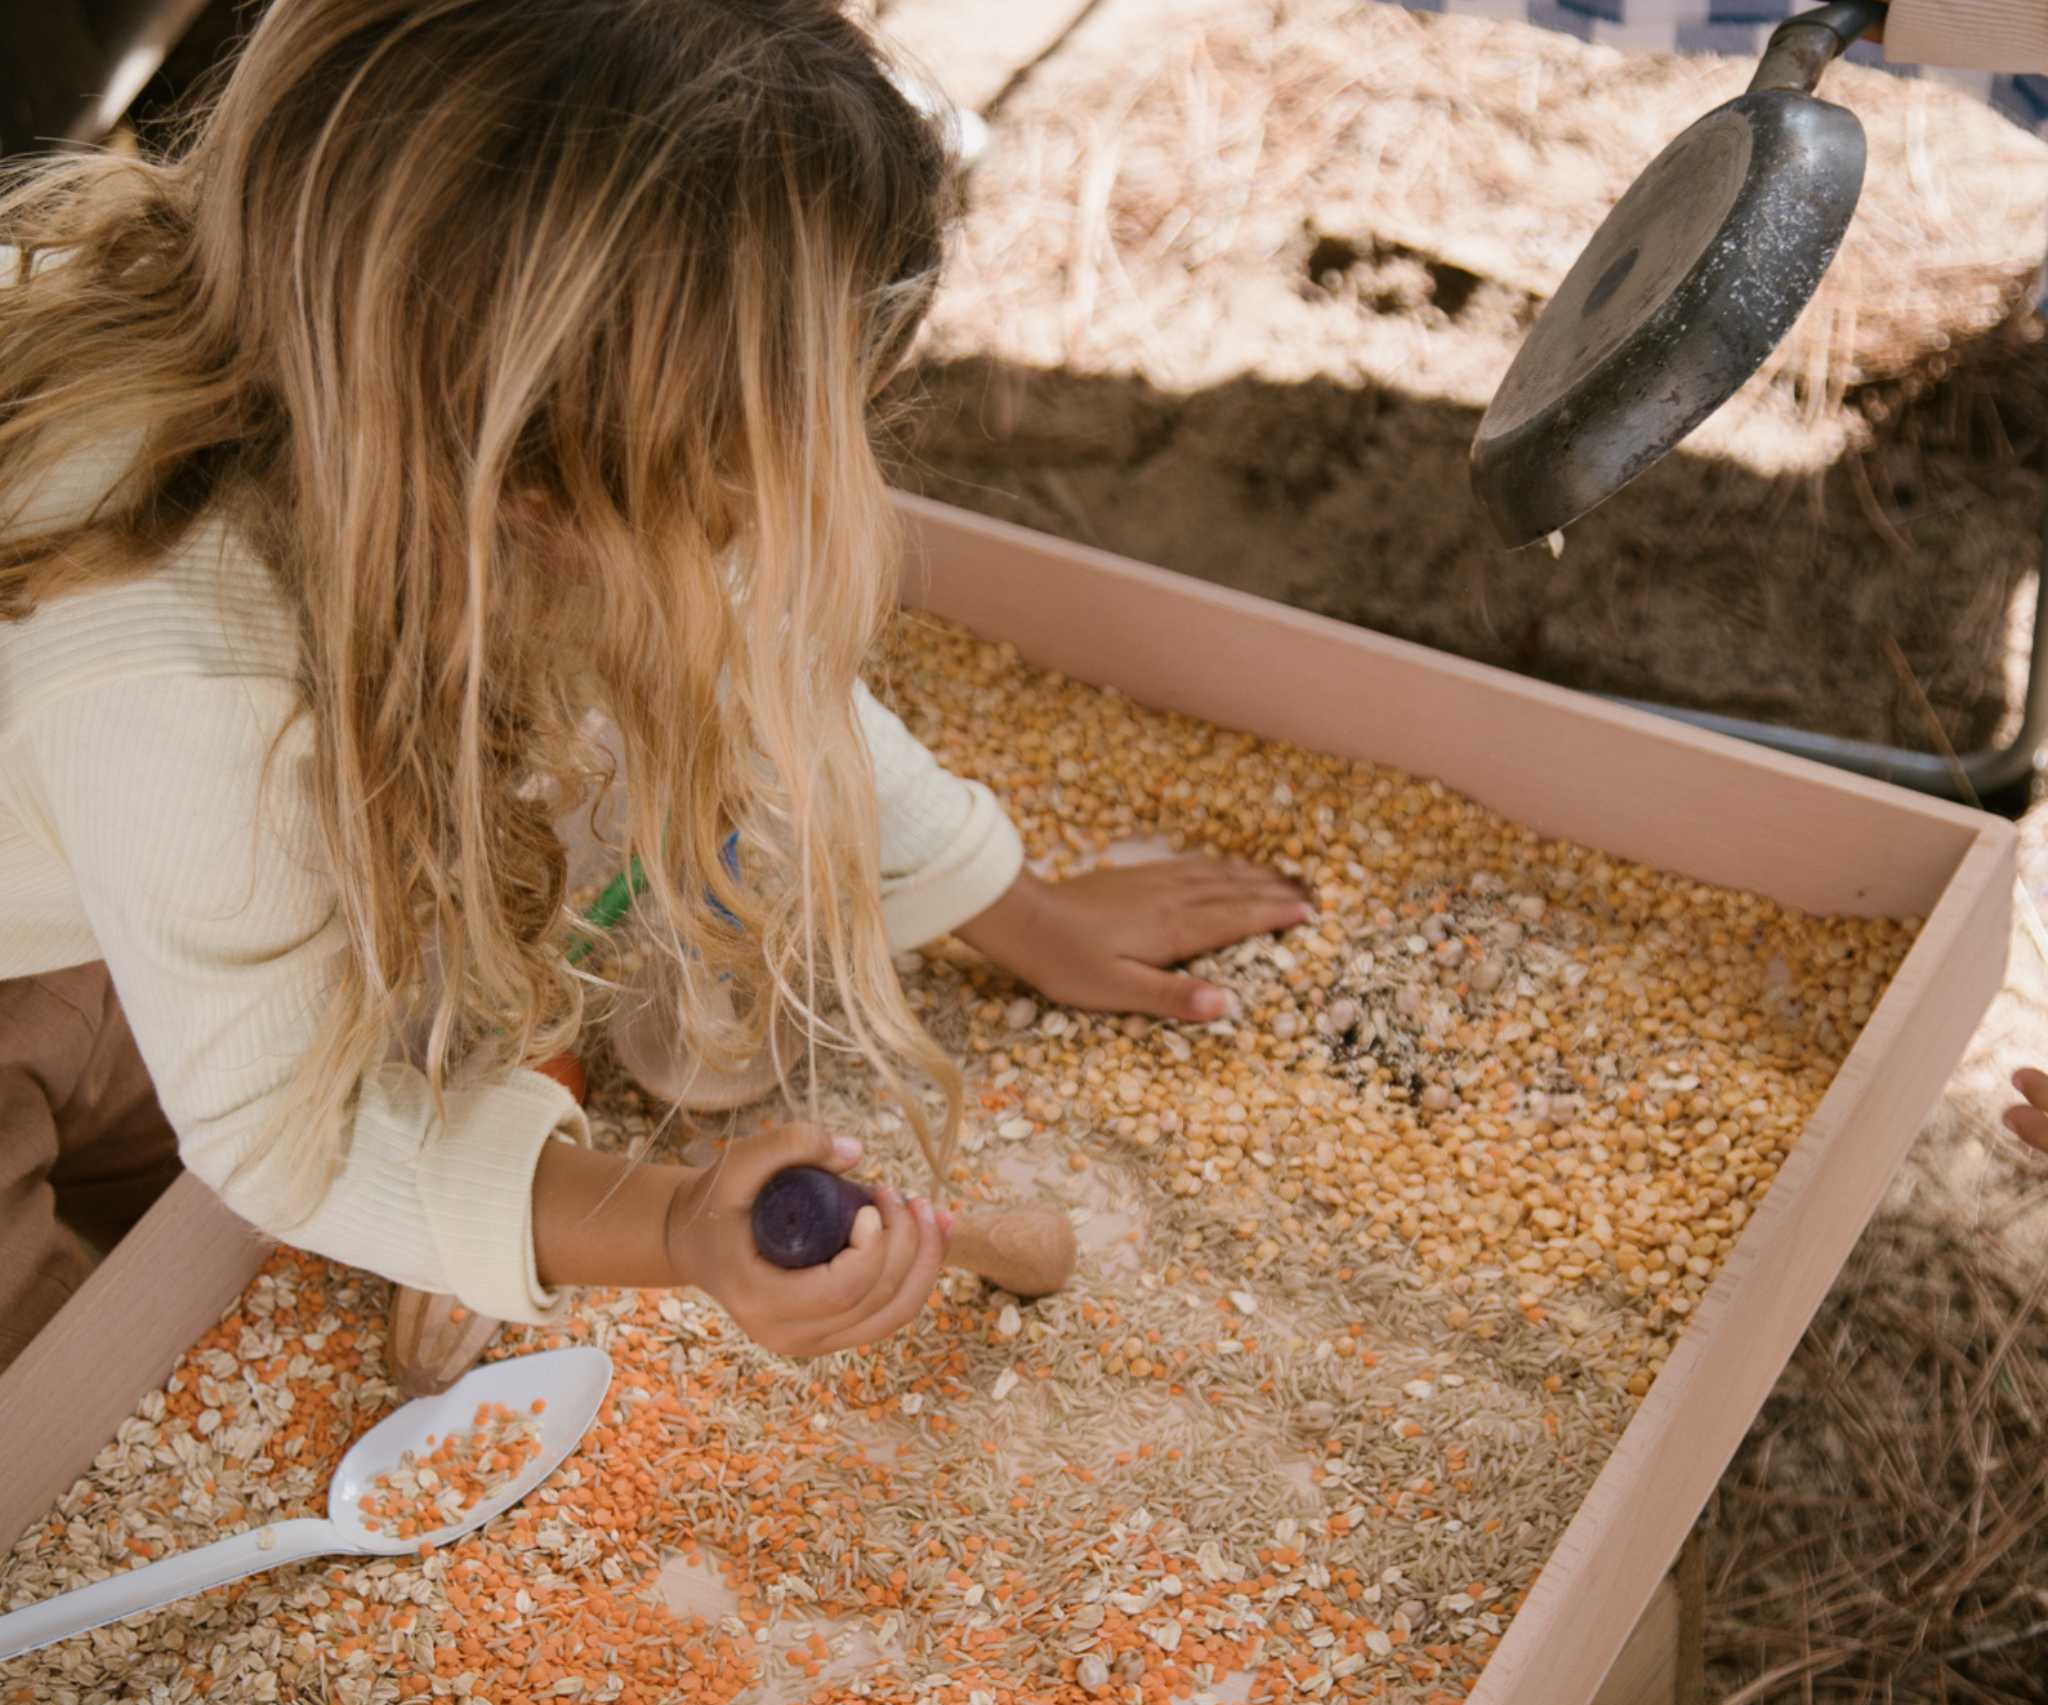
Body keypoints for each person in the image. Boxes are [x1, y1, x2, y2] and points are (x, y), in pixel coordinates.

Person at [0, 0, 1311, 1371]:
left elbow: (737, 639)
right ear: (528, 478)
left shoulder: (364, 345)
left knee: (230, 1175)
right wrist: (679, 1227)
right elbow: (289, 1134)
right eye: (730, 474)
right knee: (65, 1382)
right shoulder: (184, 691)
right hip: (65, 875)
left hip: (95, 850)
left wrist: (1008, 901)